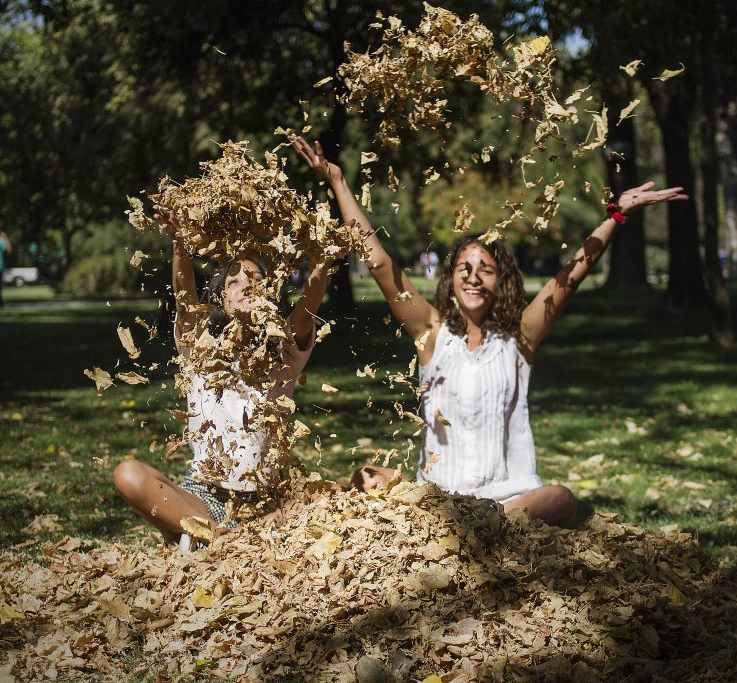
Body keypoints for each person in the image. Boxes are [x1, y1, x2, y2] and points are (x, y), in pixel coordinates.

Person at [293, 135, 687, 527]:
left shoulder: (520, 338)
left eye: (485, 269)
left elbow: (569, 278)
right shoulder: (432, 333)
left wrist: (615, 217)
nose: (474, 278)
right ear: (451, 279)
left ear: (501, 280)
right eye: (465, 268)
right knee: (368, 477)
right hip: (439, 498)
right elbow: (379, 264)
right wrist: (339, 183)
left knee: (560, 500)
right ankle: (464, 526)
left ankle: (479, 525)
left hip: (507, 502)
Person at [113, 212, 329, 544]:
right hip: (206, 496)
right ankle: (212, 533)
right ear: (221, 298)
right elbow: (184, 295)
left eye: (255, 280)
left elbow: (309, 306)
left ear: (269, 293)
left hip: (271, 500)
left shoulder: (284, 353)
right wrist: (181, 246)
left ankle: (217, 538)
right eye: (234, 282)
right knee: (128, 474)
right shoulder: (198, 349)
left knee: (339, 495)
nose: (246, 287)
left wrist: (322, 258)